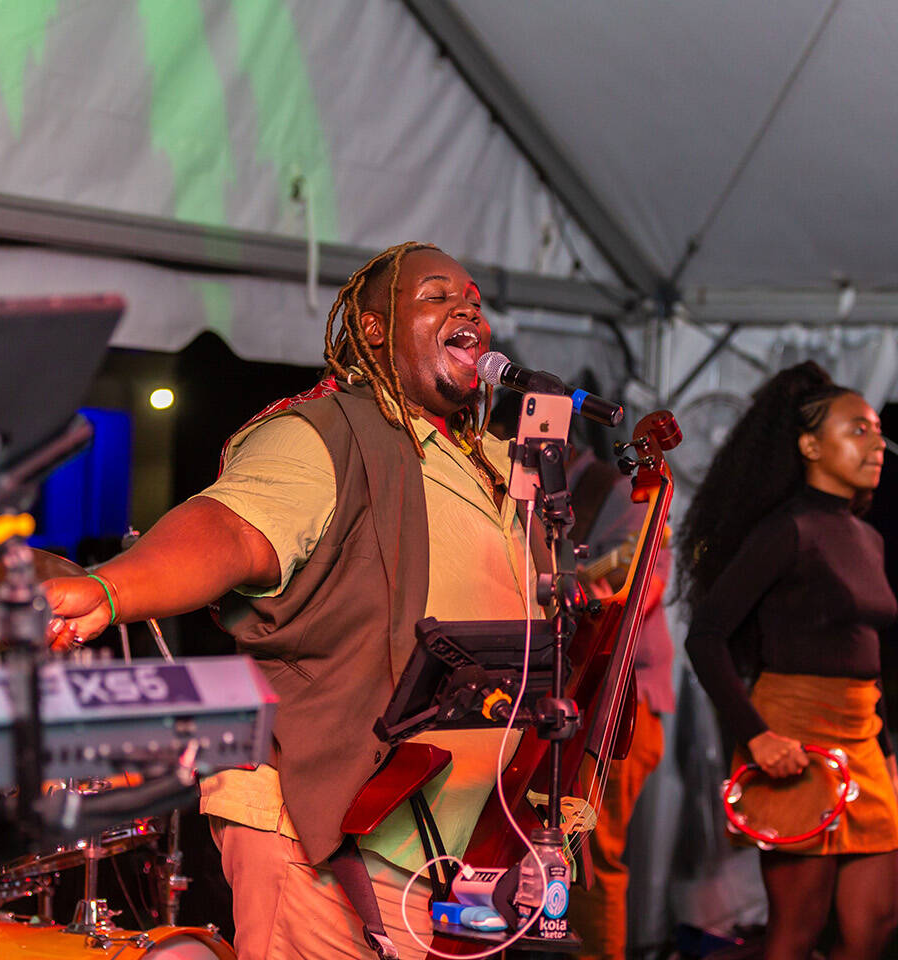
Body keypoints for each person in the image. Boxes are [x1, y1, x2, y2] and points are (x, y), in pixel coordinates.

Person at [44, 242, 545, 960]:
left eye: (472, 298)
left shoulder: (493, 461)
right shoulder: (325, 435)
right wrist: (111, 588)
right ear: (374, 330)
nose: (467, 308)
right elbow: (230, 528)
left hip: (443, 851)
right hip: (318, 825)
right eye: (437, 296)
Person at [678, 361, 898, 960]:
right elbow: (708, 635)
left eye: (878, 429)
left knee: (873, 928)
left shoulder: (867, 535)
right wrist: (758, 736)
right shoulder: (788, 530)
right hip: (793, 736)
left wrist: (888, 746)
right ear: (810, 446)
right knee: (796, 933)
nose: (877, 442)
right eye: (858, 429)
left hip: (865, 738)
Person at [489, 388, 674, 960]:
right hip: (553, 697)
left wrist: (579, 595)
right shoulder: (522, 500)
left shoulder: (611, 490)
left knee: (592, 858)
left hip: (611, 699)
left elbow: (639, 585)